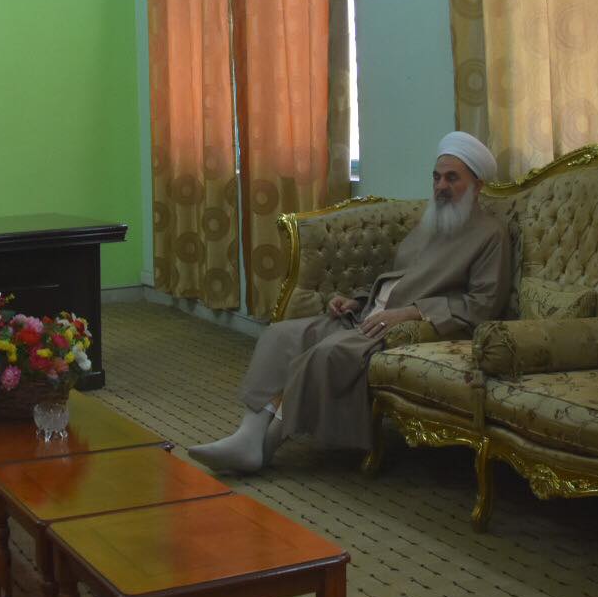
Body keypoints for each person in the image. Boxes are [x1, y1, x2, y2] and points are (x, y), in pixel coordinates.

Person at [189, 131, 513, 473]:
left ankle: (265, 445)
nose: (441, 187)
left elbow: (482, 305)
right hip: (368, 315)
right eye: (436, 177)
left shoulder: (490, 235)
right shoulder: (432, 222)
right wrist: (357, 301)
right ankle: (248, 433)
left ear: (477, 185)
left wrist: (410, 313)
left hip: (406, 328)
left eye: (452, 178)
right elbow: (398, 279)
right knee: (280, 335)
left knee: (327, 353)